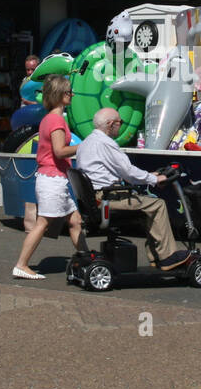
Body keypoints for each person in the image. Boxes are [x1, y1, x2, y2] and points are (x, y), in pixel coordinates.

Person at [74, 107, 190, 269]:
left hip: (97, 198)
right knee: (158, 205)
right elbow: (128, 172)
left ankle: (155, 256)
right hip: (108, 198)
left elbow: (120, 171)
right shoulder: (106, 143)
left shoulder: (87, 142)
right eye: (119, 122)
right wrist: (156, 179)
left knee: (146, 205)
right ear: (110, 124)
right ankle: (166, 257)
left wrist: (152, 175)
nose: (120, 126)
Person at [11, 76, 86, 280]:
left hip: (54, 177)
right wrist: (86, 145)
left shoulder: (48, 119)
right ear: (60, 95)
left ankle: (86, 258)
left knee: (75, 221)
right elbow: (60, 151)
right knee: (43, 223)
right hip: (52, 178)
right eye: (69, 92)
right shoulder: (56, 120)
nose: (71, 95)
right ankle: (21, 264)